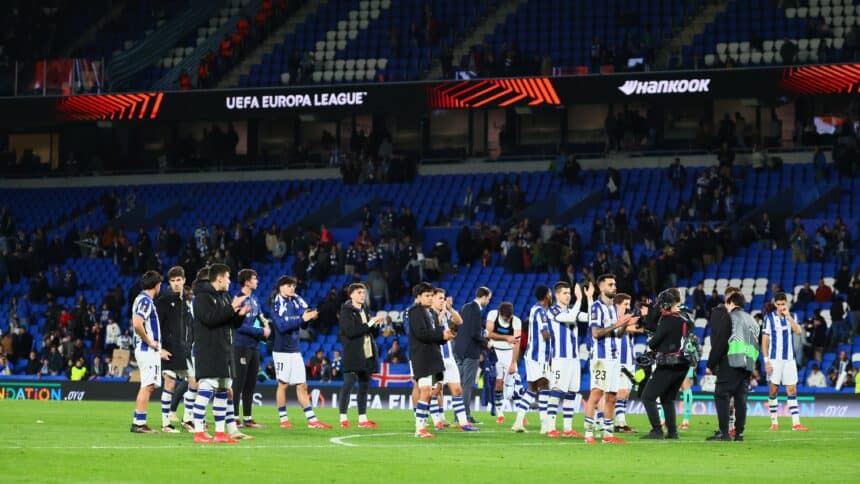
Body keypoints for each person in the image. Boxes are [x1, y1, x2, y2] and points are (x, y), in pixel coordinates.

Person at [191, 263, 251, 444]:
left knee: (223, 389)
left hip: (225, 349)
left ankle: (219, 432)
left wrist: (240, 314)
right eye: (228, 277)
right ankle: (199, 432)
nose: (230, 281)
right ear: (219, 278)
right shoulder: (202, 297)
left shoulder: (224, 296)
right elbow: (210, 319)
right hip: (209, 350)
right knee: (206, 388)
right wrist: (232, 307)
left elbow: (230, 323)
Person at [270, 275, 330, 430]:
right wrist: (302, 318)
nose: (292, 288)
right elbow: (282, 326)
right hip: (282, 351)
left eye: (293, 286)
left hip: (295, 349)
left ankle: (312, 421)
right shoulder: (276, 303)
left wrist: (310, 316)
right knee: (283, 384)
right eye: (289, 286)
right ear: (281, 287)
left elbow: (304, 320)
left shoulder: (296, 299)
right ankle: (284, 420)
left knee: (302, 385)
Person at [584, 274, 637, 444]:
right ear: (601, 288)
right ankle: (588, 434)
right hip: (601, 358)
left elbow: (618, 334)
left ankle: (607, 434)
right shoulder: (596, 307)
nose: (614, 287)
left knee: (612, 396)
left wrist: (625, 324)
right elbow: (595, 333)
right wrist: (617, 324)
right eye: (610, 284)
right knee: (596, 394)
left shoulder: (614, 308)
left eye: (615, 284)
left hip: (614, 358)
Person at [409, 282, 461, 438]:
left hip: (433, 356)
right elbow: (421, 333)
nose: (430, 298)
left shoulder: (429, 312)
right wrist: (440, 335)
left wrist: (445, 337)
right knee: (425, 390)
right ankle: (420, 428)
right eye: (427, 296)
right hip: (422, 357)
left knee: (430, 391)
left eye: (432, 296)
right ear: (418, 297)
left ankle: (423, 425)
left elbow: (434, 335)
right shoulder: (415, 311)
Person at [706, 292, 759, 442]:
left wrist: (710, 364)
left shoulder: (730, 317)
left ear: (730, 303)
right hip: (747, 365)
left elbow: (721, 343)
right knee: (740, 400)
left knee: (722, 396)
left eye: (726, 304)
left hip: (730, 362)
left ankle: (724, 434)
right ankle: (739, 433)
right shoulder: (753, 321)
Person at [640, 289, 693, 440]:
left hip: (668, 364)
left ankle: (657, 430)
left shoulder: (668, 320)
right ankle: (672, 432)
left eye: (661, 305)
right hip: (683, 366)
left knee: (647, 397)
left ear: (667, 304)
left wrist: (650, 322)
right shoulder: (686, 318)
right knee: (667, 399)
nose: (660, 308)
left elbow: (653, 343)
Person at [545, 281, 592, 439]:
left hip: (574, 359)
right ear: (557, 295)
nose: (568, 296)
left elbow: (591, 318)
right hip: (560, 358)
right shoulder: (553, 311)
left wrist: (589, 298)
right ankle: (551, 427)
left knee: (572, 392)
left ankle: (567, 428)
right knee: (556, 391)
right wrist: (579, 300)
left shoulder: (573, 310)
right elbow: (570, 318)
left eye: (569, 293)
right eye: (564, 293)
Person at [154, 266, 194, 433]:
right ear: (169, 282)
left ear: (184, 280)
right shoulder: (163, 300)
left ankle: (187, 419)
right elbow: (155, 326)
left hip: (185, 349)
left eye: (179, 280)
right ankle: (166, 423)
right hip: (169, 348)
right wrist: (160, 348)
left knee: (194, 382)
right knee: (169, 383)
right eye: (173, 281)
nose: (176, 283)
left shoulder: (187, 301)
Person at [762, 293, 809, 432]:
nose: (781, 307)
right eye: (779, 304)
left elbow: (798, 332)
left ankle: (796, 424)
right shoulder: (769, 318)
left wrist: (788, 317)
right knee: (773, 390)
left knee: (792, 390)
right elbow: (765, 341)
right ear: (775, 304)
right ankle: (774, 422)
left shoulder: (792, 316)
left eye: (783, 304)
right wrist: (766, 361)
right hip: (774, 360)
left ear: (786, 303)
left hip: (789, 360)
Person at [337, 282, 381, 429]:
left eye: (364, 293)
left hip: (367, 353)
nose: (362, 295)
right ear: (351, 295)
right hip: (352, 353)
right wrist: (370, 323)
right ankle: (343, 418)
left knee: (364, 386)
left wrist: (376, 325)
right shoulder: (346, 311)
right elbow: (351, 332)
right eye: (359, 293)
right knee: (348, 385)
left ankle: (362, 419)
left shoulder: (365, 309)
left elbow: (370, 333)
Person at [130, 271, 169, 434]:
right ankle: (139, 424)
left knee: (148, 385)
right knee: (147, 385)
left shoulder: (142, 299)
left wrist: (158, 349)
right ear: (157, 285)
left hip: (148, 350)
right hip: (146, 349)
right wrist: (149, 341)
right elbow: (137, 323)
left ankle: (138, 421)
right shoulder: (145, 301)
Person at [428, 288, 472, 430]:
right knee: (435, 390)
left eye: (444, 297)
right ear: (433, 299)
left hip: (449, 358)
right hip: (436, 358)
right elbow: (434, 327)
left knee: (457, 390)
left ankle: (464, 423)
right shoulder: (428, 314)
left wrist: (450, 309)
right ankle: (437, 422)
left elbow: (460, 321)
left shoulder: (445, 312)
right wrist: (443, 311)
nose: (443, 300)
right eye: (440, 298)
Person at [232, 268, 270, 430]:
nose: (257, 281)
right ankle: (233, 417)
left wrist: (266, 326)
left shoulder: (254, 299)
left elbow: (260, 318)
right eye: (254, 279)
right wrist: (261, 331)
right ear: (247, 282)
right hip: (240, 345)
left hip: (254, 346)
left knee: (250, 383)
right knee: (238, 383)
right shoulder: (238, 299)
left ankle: (247, 418)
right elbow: (239, 326)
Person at [513, 285, 553, 433]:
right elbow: (545, 334)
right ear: (547, 295)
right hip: (539, 356)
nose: (551, 296)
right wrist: (557, 334)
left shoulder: (535, 309)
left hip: (532, 355)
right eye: (550, 293)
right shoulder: (541, 311)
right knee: (544, 387)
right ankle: (545, 425)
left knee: (532, 389)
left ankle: (518, 422)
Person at [453, 286, 492, 424]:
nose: (488, 301)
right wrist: (486, 343)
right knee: (467, 385)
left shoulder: (465, 307)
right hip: (470, 352)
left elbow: (459, 327)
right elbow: (474, 334)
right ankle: (464, 416)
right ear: (484, 297)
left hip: (459, 350)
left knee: (459, 385)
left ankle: (458, 415)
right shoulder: (476, 310)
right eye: (488, 298)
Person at [614, 293, 646, 433]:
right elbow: (631, 327)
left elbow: (636, 327)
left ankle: (620, 422)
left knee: (626, 393)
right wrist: (642, 319)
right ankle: (619, 424)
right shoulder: (615, 318)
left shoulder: (627, 318)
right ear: (617, 305)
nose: (628, 307)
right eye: (625, 304)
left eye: (629, 304)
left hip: (629, 360)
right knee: (621, 392)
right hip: (620, 360)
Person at [485, 301, 522, 424]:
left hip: (509, 353)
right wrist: (506, 337)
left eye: (509, 317)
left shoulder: (516, 321)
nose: (507, 320)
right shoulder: (493, 315)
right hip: (495, 352)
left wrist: (513, 362)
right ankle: (500, 414)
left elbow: (516, 343)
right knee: (498, 384)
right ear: (500, 314)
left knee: (515, 383)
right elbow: (488, 334)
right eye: (505, 318)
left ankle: (520, 414)